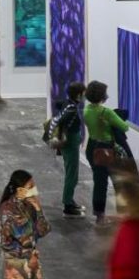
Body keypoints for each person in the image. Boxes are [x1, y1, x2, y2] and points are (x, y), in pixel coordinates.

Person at [0, 170, 52, 279]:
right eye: (30, 187)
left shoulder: (29, 206)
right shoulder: (8, 209)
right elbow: (21, 238)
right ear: (19, 190)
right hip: (16, 262)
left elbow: (44, 230)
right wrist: (29, 258)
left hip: (29, 260)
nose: (34, 190)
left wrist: (39, 210)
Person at [84, 80, 131, 224]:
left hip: (92, 147)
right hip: (106, 149)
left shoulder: (86, 110)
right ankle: (123, 213)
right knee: (119, 180)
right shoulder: (106, 112)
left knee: (100, 182)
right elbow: (124, 127)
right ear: (101, 95)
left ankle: (100, 215)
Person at [56, 82, 87, 217]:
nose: (85, 96)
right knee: (72, 175)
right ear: (79, 95)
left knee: (72, 174)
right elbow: (61, 122)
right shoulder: (72, 109)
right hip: (70, 145)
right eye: (84, 94)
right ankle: (68, 205)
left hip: (69, 144)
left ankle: (70, 200)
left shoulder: (67, 104)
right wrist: (61, 139)